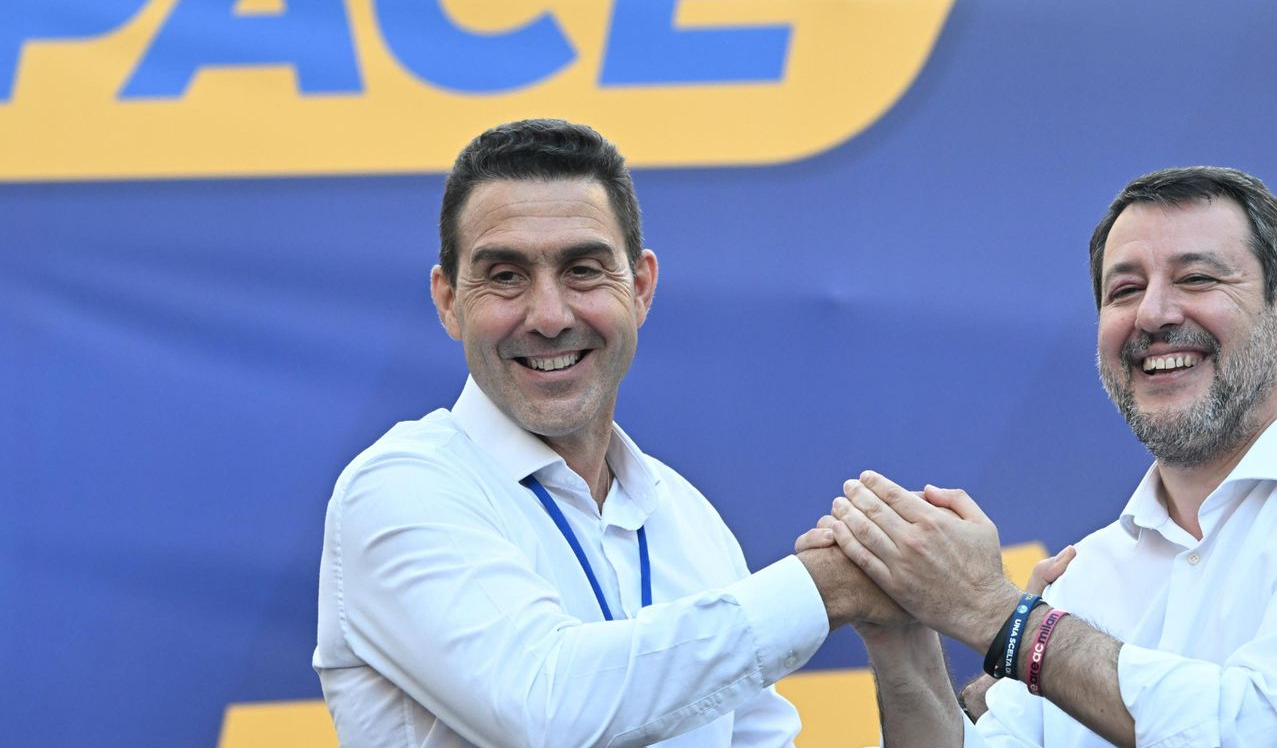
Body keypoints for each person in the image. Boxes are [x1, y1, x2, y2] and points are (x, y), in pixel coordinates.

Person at [802, 167, 1277, 746]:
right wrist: (904, 642)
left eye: (1198, 277)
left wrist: (999, 616)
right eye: (1123, 291)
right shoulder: (1085, 576)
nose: (1153, 313)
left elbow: (1264, 736)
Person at [313, 118, 900, 747]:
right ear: (449, 300)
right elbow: (548, 709)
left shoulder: (691, 519)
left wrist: (903, 631)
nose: (548, 316)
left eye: (583, 270)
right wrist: (829, 587)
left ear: (641, 288)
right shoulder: (398, 489)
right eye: (506, 275)